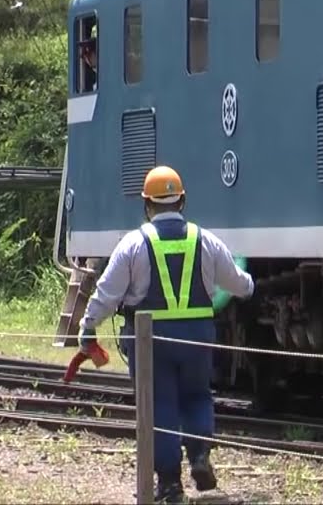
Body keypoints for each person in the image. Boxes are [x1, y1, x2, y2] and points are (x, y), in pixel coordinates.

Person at [76, 165, 254, 503]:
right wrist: (249, 284)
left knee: (159, 405)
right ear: (182, 201)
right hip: (197, 336)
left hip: (150, 339)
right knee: (198, 396)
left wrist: (88, 327)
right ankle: (200, 456)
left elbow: (107, 293)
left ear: (147, 205)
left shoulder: (134, 243)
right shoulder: (205, 239)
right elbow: (237, 283)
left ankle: (170, 484)